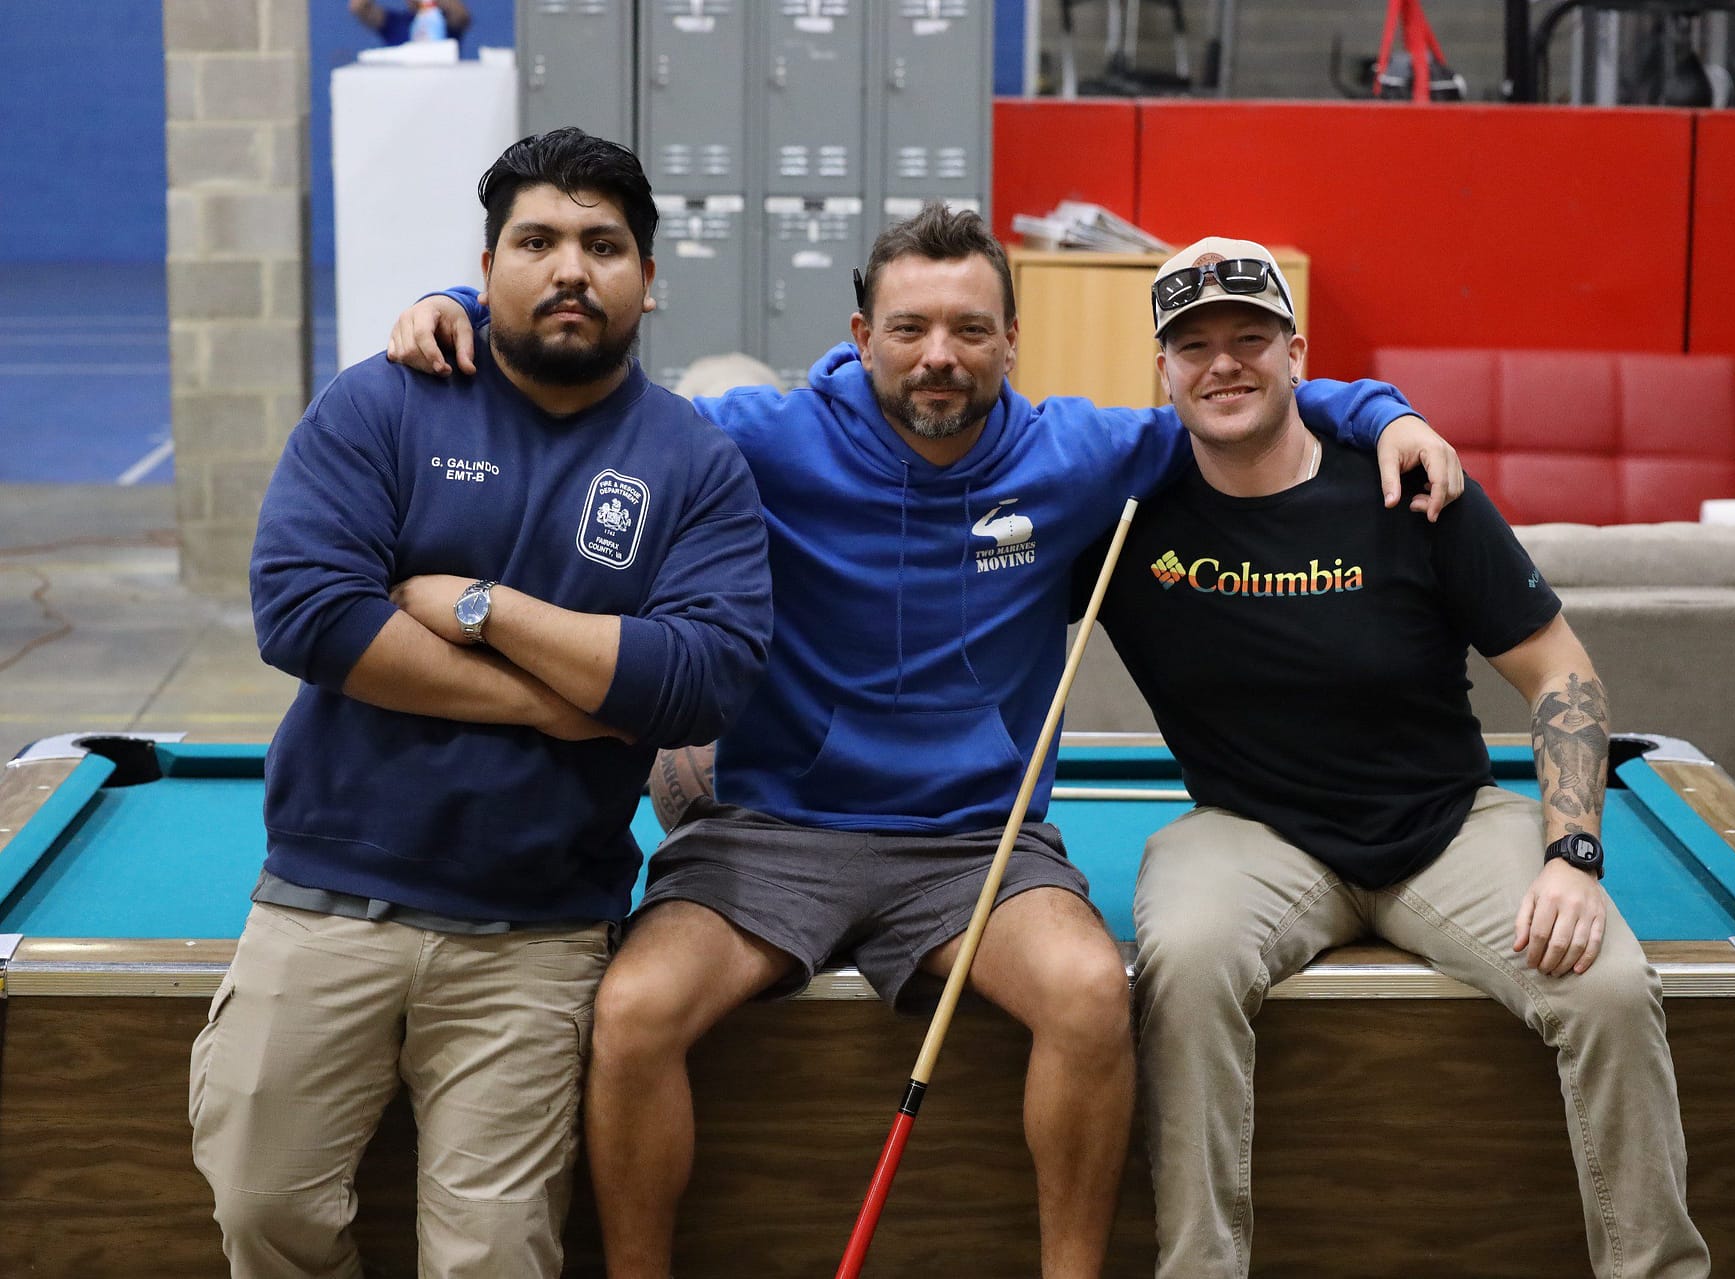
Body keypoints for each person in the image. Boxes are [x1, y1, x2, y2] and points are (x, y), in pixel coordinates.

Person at [383, 206, 1465, 1279]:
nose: (937, 357)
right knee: (630, 1008)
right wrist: (465, 307)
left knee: (1091, 994)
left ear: (1010, 340)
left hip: (973, 846)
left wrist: (1380, 410)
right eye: (907, 329)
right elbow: (594, 391)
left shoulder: (1076, 454)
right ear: (861, 337)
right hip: (775, 831)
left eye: (968, 330)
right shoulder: (763, 438)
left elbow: (1235, 393)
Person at [189, 128, 772, 1279]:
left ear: (647, 283)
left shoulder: (693, 464)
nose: (569, 269)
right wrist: (555, 705)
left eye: (603, 245)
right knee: (261, 1210)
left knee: (495, 1256)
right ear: (489, 262)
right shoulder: (384, 403)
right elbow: (305, 613)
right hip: (322, 902)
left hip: (537, 934)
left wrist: (478, 607)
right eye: (537, 241)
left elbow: (701, 674)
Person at [1081, 237, 1712, 1278]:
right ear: (1162, 371)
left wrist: (1571, 853)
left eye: (1249, 338)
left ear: (1297, 353)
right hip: (1249, 834)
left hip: (1444, 827)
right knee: (1183, 967)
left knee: (1603, 987)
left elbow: (1559, 671)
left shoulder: (1407, 484)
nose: (1222, 364)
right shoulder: (1124, 515)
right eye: (1193, 346)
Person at [349, 0, 470, 47]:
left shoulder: (444, 22)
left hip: (441, 89)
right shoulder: (394, 22)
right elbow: (359, 7)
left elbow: (462, 16)